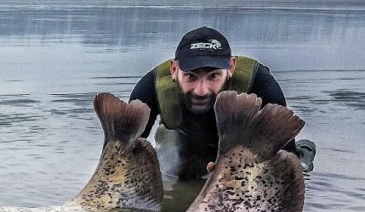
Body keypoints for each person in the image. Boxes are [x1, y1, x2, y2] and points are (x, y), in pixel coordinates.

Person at [130, 26, 315, 179]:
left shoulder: (260, 83)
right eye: (190, 76)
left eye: (213, 76)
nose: (201, 90)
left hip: (239, 144)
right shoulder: (151, 87)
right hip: (183, 138)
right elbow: (121, 154)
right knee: (171, 173)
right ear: (173, 69)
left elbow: (284, 157)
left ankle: (305, 151)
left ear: (231, 67)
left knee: (297, 167)